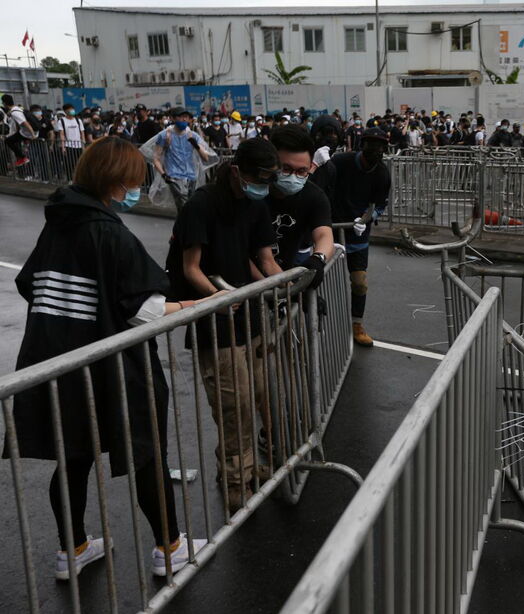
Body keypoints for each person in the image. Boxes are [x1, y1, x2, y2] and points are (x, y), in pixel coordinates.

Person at [3, 137, 209, 579]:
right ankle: (169, 548)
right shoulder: (110, 233)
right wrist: (192, 307)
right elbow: (145, 309)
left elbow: (30, 284)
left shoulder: (58, 223)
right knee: (144, 453)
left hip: (56, 362)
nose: (134, 190)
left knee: (74, 457)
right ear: (116, 182)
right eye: (132, 182)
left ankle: (72, 549)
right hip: (111, 368)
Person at [165, 138, 283, 511]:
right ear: (236, 170)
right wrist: (219, 300)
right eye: (257, 178)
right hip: (216, 326)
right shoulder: (201, 206)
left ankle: (245, 465)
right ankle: (236, 480)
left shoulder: (255, 204)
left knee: (259, 397)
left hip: (250, 316)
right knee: (235, 407)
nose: (262, 186)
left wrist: (291, 286)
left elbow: (262, 259)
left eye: (268, 179)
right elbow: (190, 269)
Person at [330, 128, 391, 346]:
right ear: (361, 145)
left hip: (357, 233)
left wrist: (366, 219)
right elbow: (320, 187)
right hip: (330, 229)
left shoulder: (382, 173)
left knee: (359, 282)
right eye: (370, 144)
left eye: (380, 146)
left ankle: (357, 325)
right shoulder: (339, 162)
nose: (375, 150)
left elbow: (380, 204)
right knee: (320, 280)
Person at [267, 125, 334, 274]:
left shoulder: (314, 196)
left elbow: (324, 234)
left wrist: (318, 258)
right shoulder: (254, 192)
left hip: (287, 275)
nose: (293, 177)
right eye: (286, 169)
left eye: (301, 171)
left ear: (310, 166)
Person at [152, 107, 211, 211]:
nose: (184, 119)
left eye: (187, 117)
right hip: (175, 177)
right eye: (181, 117)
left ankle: (183, 226)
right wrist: (164, 175)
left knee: (190, 207)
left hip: (191, 176)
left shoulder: (193, 136)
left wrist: (195, 144)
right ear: (173, 119)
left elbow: (206, 158)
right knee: (185, 207)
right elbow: (156, 158)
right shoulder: (164, 135)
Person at [53, 104, 87, 180]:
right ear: (65, 111)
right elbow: (61, 134)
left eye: (72, 109)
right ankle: (70, 179)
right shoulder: (61, 121)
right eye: (70, 110)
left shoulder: (78, 120)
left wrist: (83, 144)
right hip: (68, 145)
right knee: (69, 164)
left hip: (78, 145)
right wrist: (63, 146)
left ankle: (79, 179)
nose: (72, 111)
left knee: (79, 164)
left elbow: (82, 132)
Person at [3, 94, 36, 167]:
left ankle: (22, 158)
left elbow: (25, 123)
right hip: (24, 132)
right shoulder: (16, 108)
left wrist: (33, 135)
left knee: (8, 141)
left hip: (27, 133)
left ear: (4, 103)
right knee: (12, 140)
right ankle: (21, 158)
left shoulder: (15, 112)